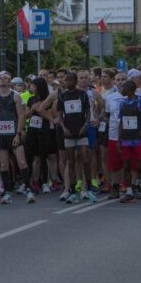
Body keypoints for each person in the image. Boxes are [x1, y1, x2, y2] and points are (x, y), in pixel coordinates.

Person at [0, 71, 29, 204]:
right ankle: (7, 192)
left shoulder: (16, 96)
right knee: (4, 164)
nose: (2, 80)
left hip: (14, 133)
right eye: (0, 78)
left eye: (5, 78)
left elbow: (21, 115)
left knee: (21, 162)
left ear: (9, 81)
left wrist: (18, 133)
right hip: (1, 134)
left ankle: (28, 190)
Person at [116, 79, 141, 203]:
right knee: (126, 165)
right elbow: (121, 122)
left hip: (138, 139)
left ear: (129, 89)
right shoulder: (123, 103)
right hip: (126, 139)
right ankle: (129, 192)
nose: (121, 89)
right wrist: (118, 140)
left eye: (123, 87)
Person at [56, 71, 94, 203]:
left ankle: (88, 188)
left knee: (85, 159)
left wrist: (86, 124)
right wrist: (64, 128)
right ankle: (71, 191)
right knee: (70, 161)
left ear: (75, 81)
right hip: (69, 132)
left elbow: (88, 111)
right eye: (66, 80)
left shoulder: (82, 94)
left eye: (70, 80)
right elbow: (60, 115)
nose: (68, 82)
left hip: (81, 131)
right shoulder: (62, 96)